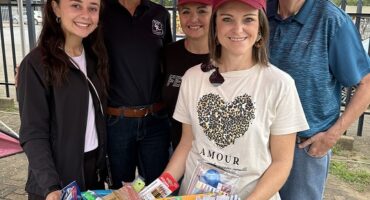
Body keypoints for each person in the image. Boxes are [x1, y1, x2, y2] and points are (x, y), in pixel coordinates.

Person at [163, 0, 309, 199]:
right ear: (216, 27)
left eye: (248, 19)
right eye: (227, 19)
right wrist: (157, 190)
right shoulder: (192, 77)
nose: (238, 28)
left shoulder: (279, 84)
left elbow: (281, 163)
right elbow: (187, 144)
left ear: (260, 28)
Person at [267, 0, 370, 199]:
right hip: (259, 143)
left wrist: (332, 135)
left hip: (303, 149)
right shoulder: (260, 12)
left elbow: (366, 83)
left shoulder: (331, 20)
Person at [17, 0, 109, 199]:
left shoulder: (96, 58)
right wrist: (51, 186)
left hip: (92, 174)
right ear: (56, 8)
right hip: (56, 182)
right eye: (76, 5)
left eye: (93, 8)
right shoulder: (35, 64)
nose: (86, 14)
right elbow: (33, 133)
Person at [101, 0, 173, 188]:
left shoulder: (160, 13)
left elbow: (170, 58)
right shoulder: (100, 10)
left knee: (157, 190)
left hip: (156, 121)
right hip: (117, 122)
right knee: (120, 190)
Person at [163, 0, 212, 151]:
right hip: (176, 147)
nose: (193, 18)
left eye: (202, 11)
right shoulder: (168, 53)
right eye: (186, 12)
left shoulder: (226, 57)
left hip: (216, 156)